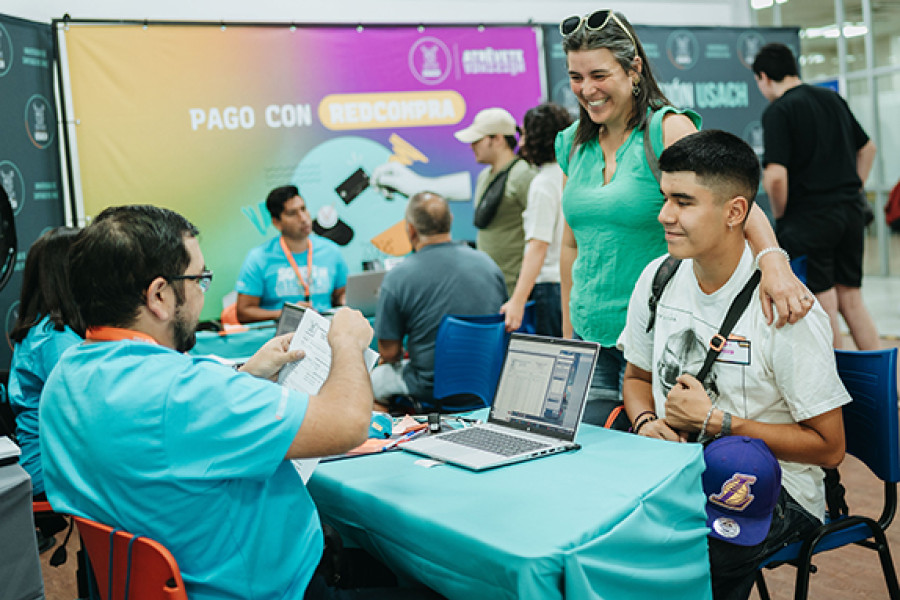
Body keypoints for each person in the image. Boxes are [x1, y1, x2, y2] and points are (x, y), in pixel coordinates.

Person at [40, 205, 435, 599]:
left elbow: (171, 432)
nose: (200, 294)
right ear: (159, 295)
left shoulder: (63, 380)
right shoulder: (187, 391)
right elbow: (346, 424)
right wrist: (346, 342)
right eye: (199, 280)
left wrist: (247, 375)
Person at [618, 130, 848, 600]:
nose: (665, 216)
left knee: (677, 559)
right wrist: (644, 421)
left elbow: (829, 448)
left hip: (777, 490)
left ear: (735, 212)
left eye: (683, 201)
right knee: (601, 535)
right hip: (679, 470)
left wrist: (718, 423)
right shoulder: (657, 277)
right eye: (665, 198)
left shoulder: (784, 309)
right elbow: (636, 377)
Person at [556, 10, 810, 428]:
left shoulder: (664, 129)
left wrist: (774, 263)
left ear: (634, 69)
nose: (587, 89)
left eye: (599, 75)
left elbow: (734, 201)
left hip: (660, 336)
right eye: (577, 77)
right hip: (589, 337)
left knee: (661, 462)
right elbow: (570, 243)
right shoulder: (572, 144)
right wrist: (570, 332)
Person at [752, 42, 880, 351]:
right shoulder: (831, 99)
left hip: (808, 218)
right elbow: (868, 148)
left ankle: (836, 393)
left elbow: (776, 177)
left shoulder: (778, 111)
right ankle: (886, 388)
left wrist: (782, 215)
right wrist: (853, 189)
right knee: (852, 298)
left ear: (765, 77)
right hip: (849, 213)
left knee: (824, 305)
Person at [372, 192, 507, 407]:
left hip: (431, 390)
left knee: (370, 382)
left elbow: (389, 353)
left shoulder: (398, 277)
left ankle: (394, 434)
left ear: (411, 230)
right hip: (488, 384)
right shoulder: (488, 265)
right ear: (450, 221)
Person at [8, 227, 85, 549]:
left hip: (43, 460)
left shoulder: (44, 331)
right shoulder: (57, 339)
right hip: (48, 468)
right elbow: (87, 412)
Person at [500, 102, 572, 337]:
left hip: (551, 288)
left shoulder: (542, 184)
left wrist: (517, 301)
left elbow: (538, 245)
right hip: (576, 281)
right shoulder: (575, 174)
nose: (520, 144)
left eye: (525, 135)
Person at [236, 185, 348, 323]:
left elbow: (340, 295)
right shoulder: (259, 258)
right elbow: (244, 312)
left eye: (303, 209)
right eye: (292, 213)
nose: (303, 218)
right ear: (277, 222)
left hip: (326, 330)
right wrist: (287, 313)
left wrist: (345, 300)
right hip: (281, 335)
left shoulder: (331, 251)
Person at [454, 107, 536, 296]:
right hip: (490, 283)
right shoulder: (484, 176)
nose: (472, 146)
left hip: (517, 287)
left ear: (497, 139)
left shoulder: (523, 175)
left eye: (477, 140)